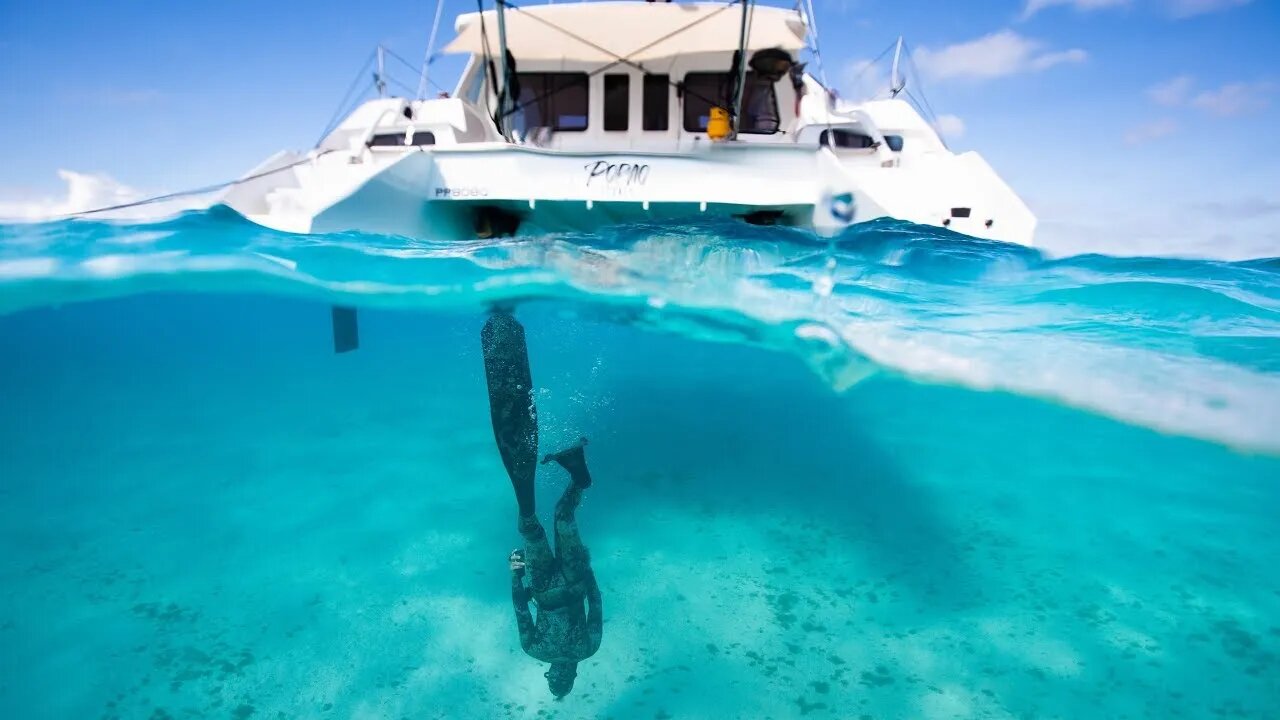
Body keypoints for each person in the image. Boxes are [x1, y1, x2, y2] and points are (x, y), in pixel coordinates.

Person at [480, 312, 603, 699]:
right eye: (553, 680)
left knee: (561, 516)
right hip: (548, 586)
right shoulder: (534, 651)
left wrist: (585, 568)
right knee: (529, 524)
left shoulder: (589, 649)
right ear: (557, 676)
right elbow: (519, 605)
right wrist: (516, 574)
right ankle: (577, 475)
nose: (552, 675)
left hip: (571, 579)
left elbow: (596, 601)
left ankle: (579, 476)